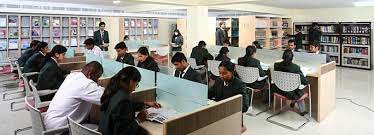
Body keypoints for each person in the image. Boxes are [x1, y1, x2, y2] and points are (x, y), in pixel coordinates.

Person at [98, 67, 161, 135]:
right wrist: (138, 119)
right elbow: (124, 133)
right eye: (136, 84)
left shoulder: (114, 91)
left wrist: (145, 103)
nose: (134, 89)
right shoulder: (123, 100)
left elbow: (123, 107)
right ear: (131, 82)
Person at [44, 61, 105, 130]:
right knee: (99, 129)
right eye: (97, 77)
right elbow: (106, 98)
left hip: (50, 122)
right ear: (90, 74)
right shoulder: (85, 84)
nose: (96, 81)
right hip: (61, 129)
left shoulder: (72, 76)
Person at [208, 61, 249, 133]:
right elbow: (211, 92)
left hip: (232, 117)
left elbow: (245, 106)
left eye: (224, 73)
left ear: (232, 72)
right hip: (218, 114)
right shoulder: (219, 80)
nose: (221, 75)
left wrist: (227, 109)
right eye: (219, 73)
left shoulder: (239, 85)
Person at [273, 49, 309, 116]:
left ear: (283, 57)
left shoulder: (276, 65)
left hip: (279, 90)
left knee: (295, 87)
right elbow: (303, 81)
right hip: (290, 93)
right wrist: (307, 82)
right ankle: (302, 110)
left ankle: (293, 102)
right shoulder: (295, 67)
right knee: (300, 89)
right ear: (292, 58)